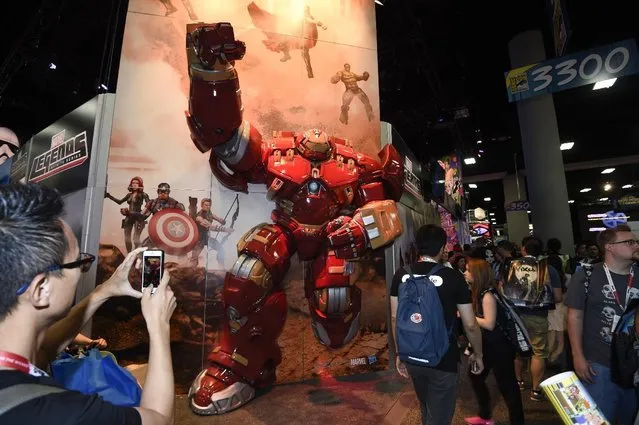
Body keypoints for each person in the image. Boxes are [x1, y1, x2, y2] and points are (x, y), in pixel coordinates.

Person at [0, 183, 176, 425]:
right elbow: (160, 420)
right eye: (79, 263)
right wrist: (159, 327)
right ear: (41, 289)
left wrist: (103, 292)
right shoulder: (66, 413)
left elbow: (42, 352)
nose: (83, 270)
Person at [390, 224, 484, 425]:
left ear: (417, 246)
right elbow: (470, 324)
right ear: (442, 247)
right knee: (439, 417)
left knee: (426, 408)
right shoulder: (453, 277)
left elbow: (395, 318)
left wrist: (400, 353)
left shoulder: (400, 275)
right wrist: (478, 353)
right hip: (444, 358)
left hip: (413, 355)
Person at [565, 225, 639, 424]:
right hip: (599, 364)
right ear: (610, 247)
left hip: (634, 365)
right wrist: (577, 356)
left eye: (636, 241)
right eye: (629, 242)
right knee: (596, 419)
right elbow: (574, 317)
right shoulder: (587, 275)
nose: (636, 245)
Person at [463, 258, 525, 425]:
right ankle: (484, 416)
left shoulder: (488, 294)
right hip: (489, 345)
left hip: (499, 347)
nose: (465, 273)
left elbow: (489, 324)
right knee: (476, 376)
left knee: (507, 386)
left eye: (468, 270)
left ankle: (515, 421)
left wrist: (467, 316)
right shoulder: (480, 292)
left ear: (477, 274)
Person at [513, 236, 563, 401]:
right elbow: (557, 297)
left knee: (518, 350)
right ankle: (535, 390)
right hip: (538, 315)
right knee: (539, 352)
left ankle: (519, 381)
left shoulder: (512, 267)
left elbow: (503, 292)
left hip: (516, 316)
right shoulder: (549, 269)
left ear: (523, 249)